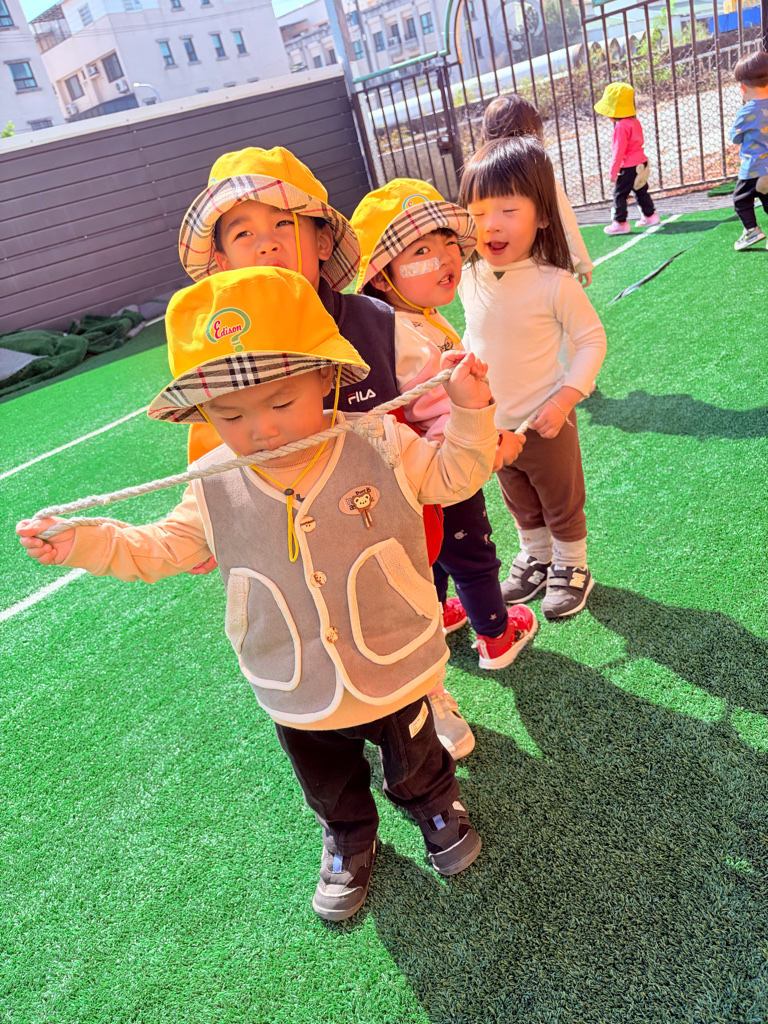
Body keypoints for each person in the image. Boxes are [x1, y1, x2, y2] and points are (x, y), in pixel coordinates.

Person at [17, 267, 498, 922]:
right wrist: (85, 542)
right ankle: (348, 836)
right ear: (204, 414)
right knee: (325, 778)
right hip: (291, 672)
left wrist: (471, 408)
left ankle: (436, 805)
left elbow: (457, 472)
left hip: (393, 649)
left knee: (415, 753)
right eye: (231, 414)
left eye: (280, 402)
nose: (262, 429)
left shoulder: (379, 440)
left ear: (325, 378)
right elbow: (161, 548)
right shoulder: (212, 479)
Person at [350, 178, 537, 759]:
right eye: (421, 251)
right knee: (473, 557)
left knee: (426, 567)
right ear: (382, 276)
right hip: (443, 476)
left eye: (449, 244)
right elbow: (440, 414)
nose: (446, 259)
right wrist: (492, 445)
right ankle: (496, 636)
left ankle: (440, 621)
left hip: (404, 484)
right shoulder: (407, 334)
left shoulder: (409, 318)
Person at [457, 137, 607, 621]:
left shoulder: (553, 282)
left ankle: (572, 564)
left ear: (542, 215)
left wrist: (564, 400)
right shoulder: (469, 277)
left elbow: (591, 341)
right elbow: (475, 333)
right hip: (495, 425)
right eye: (478, 213)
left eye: (508, 210)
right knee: (519, 500)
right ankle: (537, 557)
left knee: (561, 502)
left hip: (547, 420)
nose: (491, 224)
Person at [480, 93, 594, 286]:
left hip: (505, 268)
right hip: (543, 262)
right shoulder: (536, 169)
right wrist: (582, 262)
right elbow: (564, 218)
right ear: (532, 130)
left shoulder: (480, 172)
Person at [593, 82, 660, 235]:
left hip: (629, 167)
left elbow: (619, 150)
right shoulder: (634, 122)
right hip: (641, 163)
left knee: (620, 194)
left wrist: (613, 171)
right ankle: (650, 215)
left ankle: (620, 222)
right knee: (640, 189)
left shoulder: (621, 127)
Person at [728, 50, 768, 251]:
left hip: (754, 167)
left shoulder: (746, 112)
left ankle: (751, 230)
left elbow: (735, 137)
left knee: (741, 200)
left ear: (742, 87)